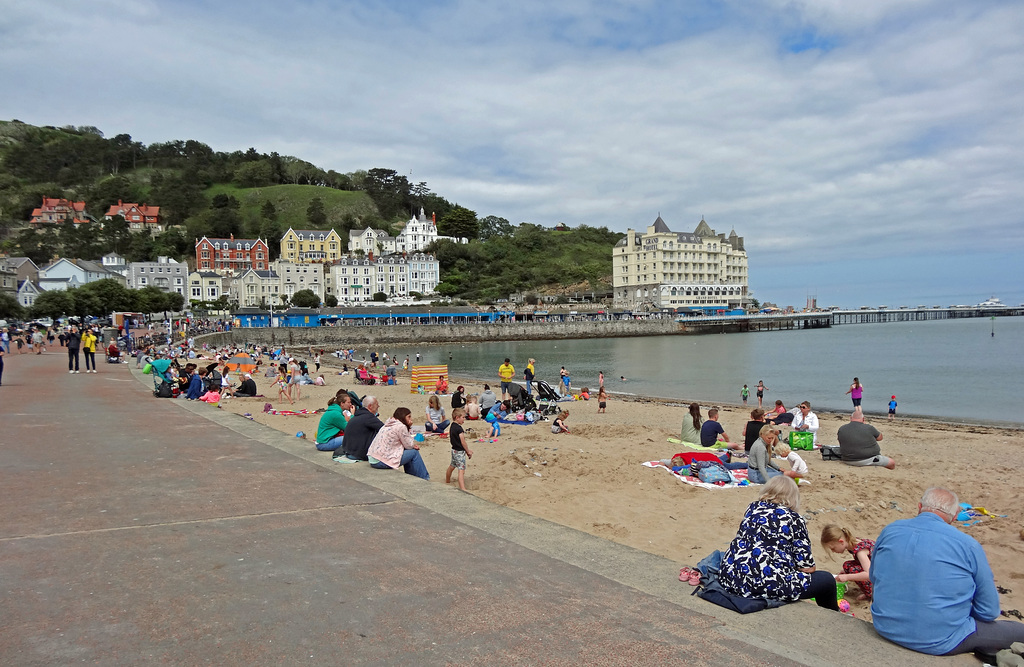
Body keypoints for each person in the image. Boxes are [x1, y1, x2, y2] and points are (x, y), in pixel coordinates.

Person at [870, 487, 1024, 656]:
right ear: (956, 515)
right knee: (1017, 631)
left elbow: (874, 577)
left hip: (884, 626)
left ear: (919, 507)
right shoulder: (968, 545)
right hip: (940, 640)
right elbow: (989, 611)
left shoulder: (890, 530)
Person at [717, 476, 838, 611]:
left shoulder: (752, 508)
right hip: (764, 584)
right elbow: (807, 567)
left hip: (730, 578)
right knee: (827, 581)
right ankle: (835, 616)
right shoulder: (795, 519)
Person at [367, 407, 430, 480]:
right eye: (409, 417)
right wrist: (409, 428)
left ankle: (412, 477)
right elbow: (409, 445)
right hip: (380, 461)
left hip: (373, 458)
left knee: (408, 453)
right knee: (414, 453)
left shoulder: (388, 424)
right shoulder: (401, 426)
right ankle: (425, 478)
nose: (411, 419)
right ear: (403, 417)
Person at [820, 524, 874, 601]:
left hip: (884, 574)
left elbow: (869, 574)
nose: (833, 551)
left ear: (841, 542)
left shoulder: (860, 551)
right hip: (876, 568)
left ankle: (872, 593)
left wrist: (847, 577)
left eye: (833, 548)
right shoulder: (853, 543)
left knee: (853, 570)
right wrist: (845, 572)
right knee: (847, 566)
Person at [338, 395, 384, 462]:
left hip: (348, 452)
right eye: (376, 404)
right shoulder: (368, 417)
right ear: (370, 406)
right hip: (358, 454)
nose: (378, 406)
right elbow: (384, 430)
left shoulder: (357, 415)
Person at [445, 408, 473, 491]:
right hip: (459, 452)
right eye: (463, 417)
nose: (464, 419)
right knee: (461, 470)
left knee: (452, 466)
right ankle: (463, 488)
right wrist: (468, 451)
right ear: (457, 417)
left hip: (454, 450)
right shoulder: (459, 429)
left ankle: (447, 480)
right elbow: (463, 441)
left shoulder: (452, 426)